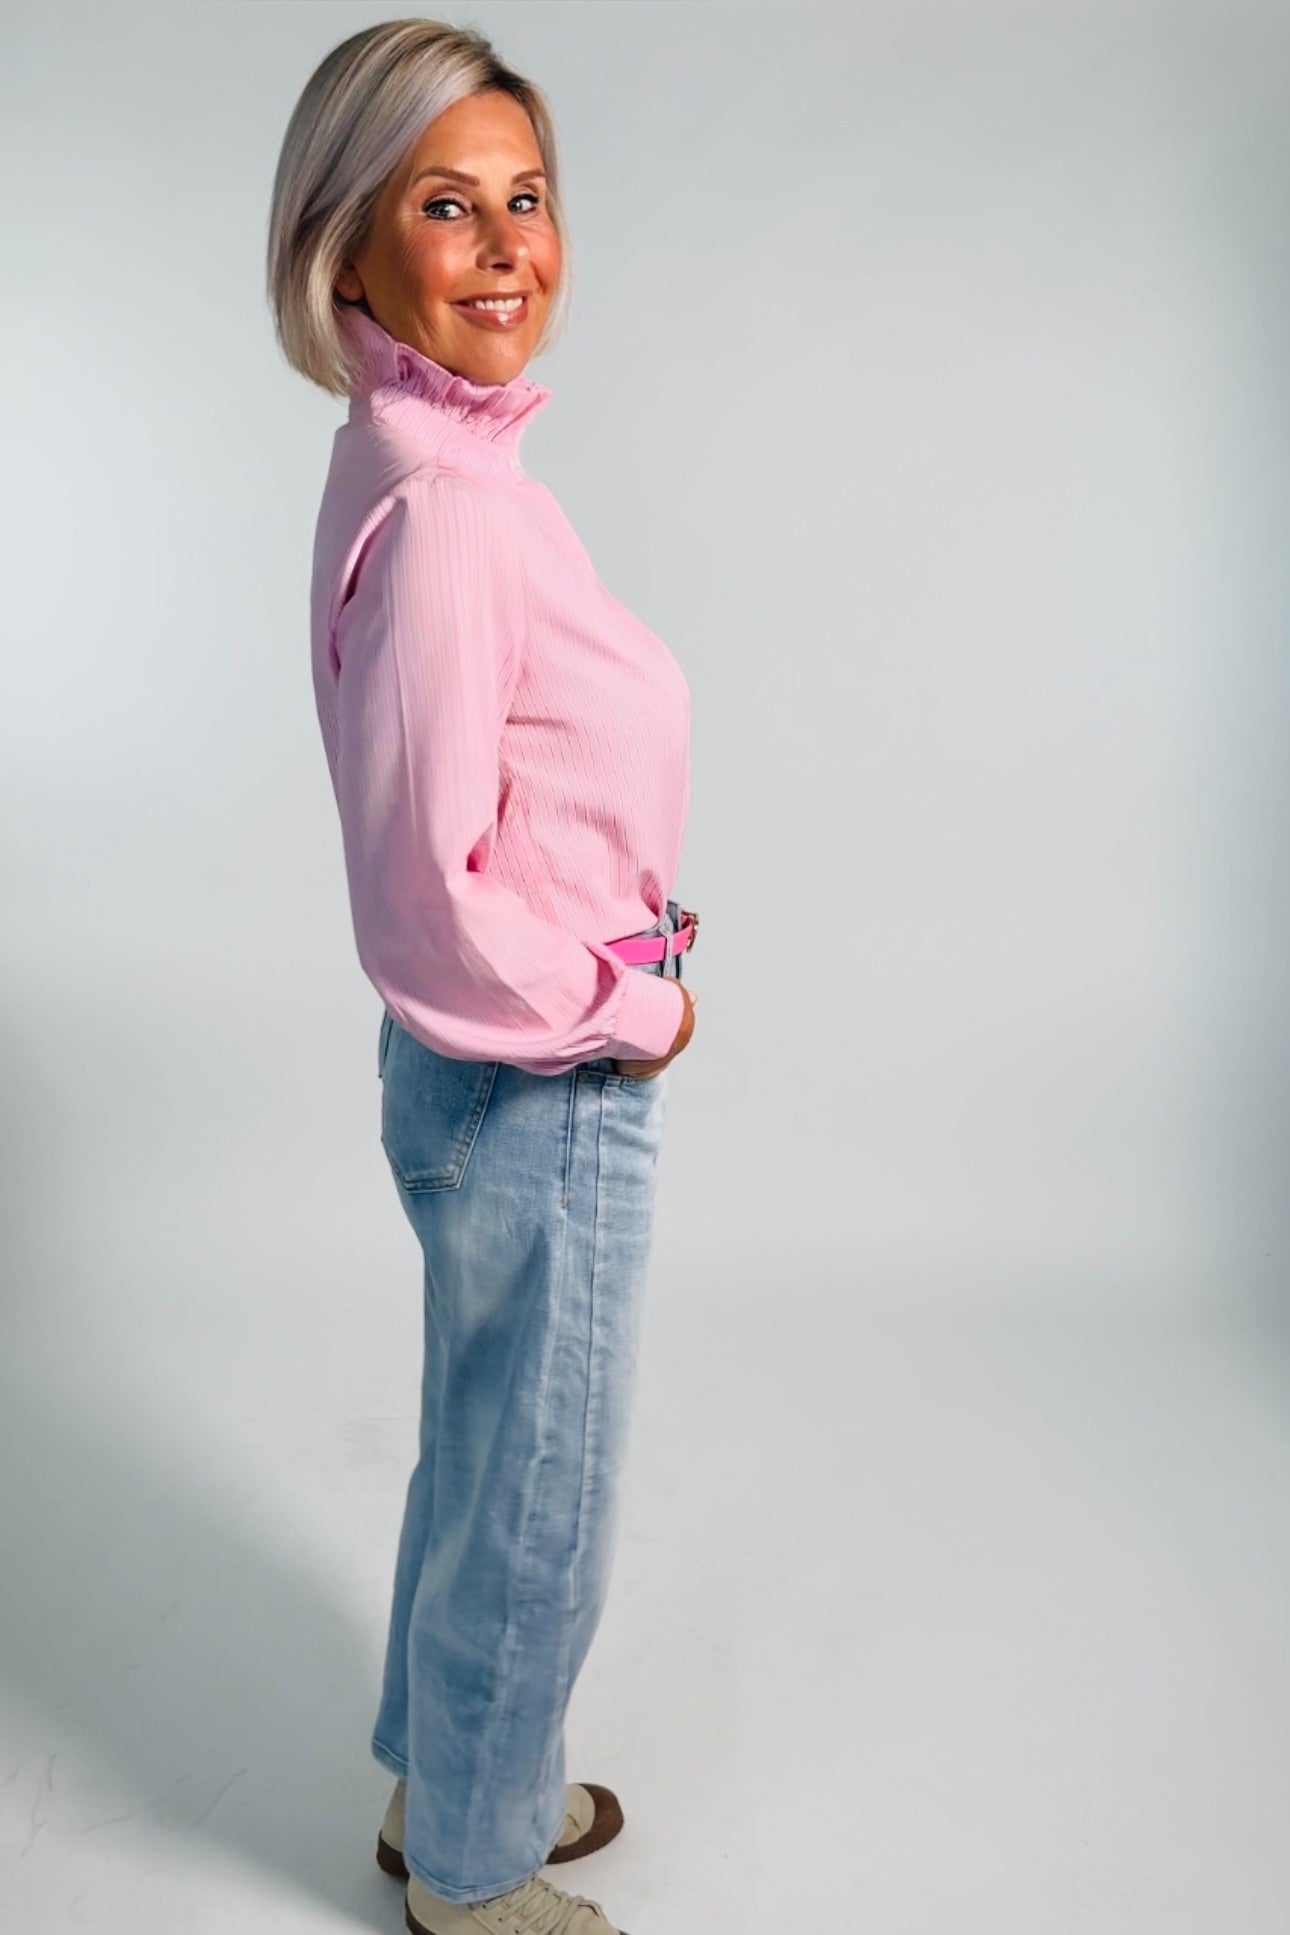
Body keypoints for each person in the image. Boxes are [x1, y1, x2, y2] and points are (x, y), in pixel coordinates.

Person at [266, 20, 699, 1934]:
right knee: (538, 1483)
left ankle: (447, 1776)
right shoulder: (446, 509)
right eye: (447, 206)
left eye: (527, 197)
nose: (510, 244)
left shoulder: (427, 457)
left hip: (489, 1069)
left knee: (481, 1441)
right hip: (535, 1075)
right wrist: (637, 1009)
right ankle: (473, 1870)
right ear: (346, 249)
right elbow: (424, 897)